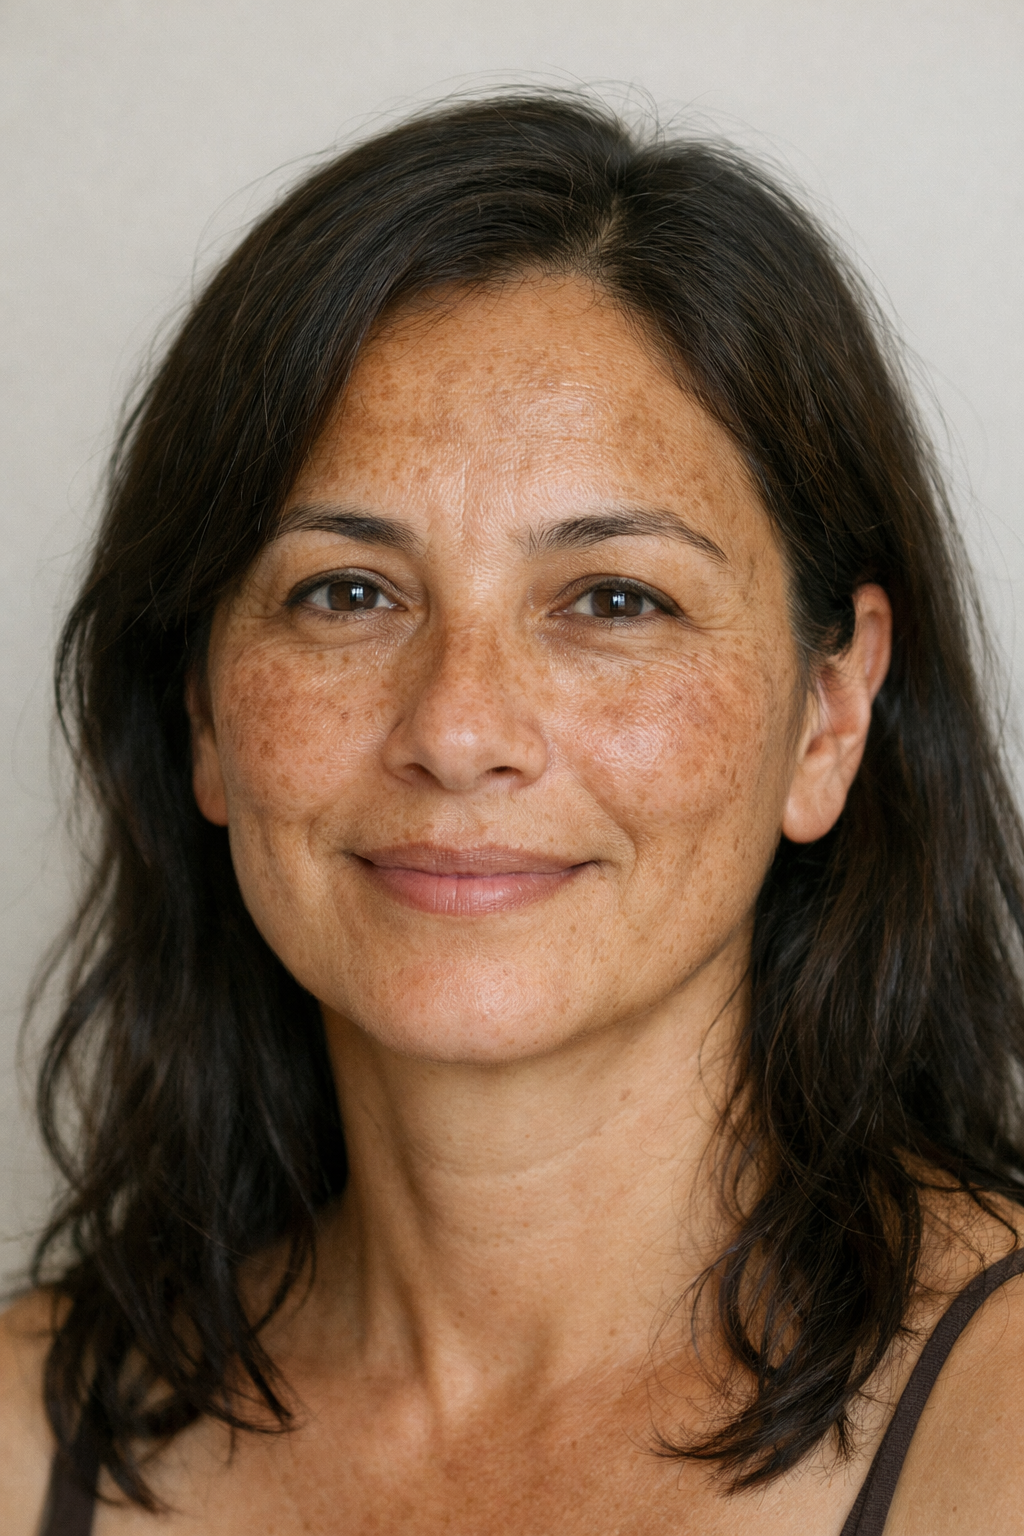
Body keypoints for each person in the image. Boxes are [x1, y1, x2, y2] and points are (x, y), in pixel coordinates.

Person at [1, 92, 1022, 1536]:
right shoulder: (18, 1440)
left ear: (831, 711)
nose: (458, 729)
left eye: (615, 599)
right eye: (346, 593)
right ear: (203, 713)